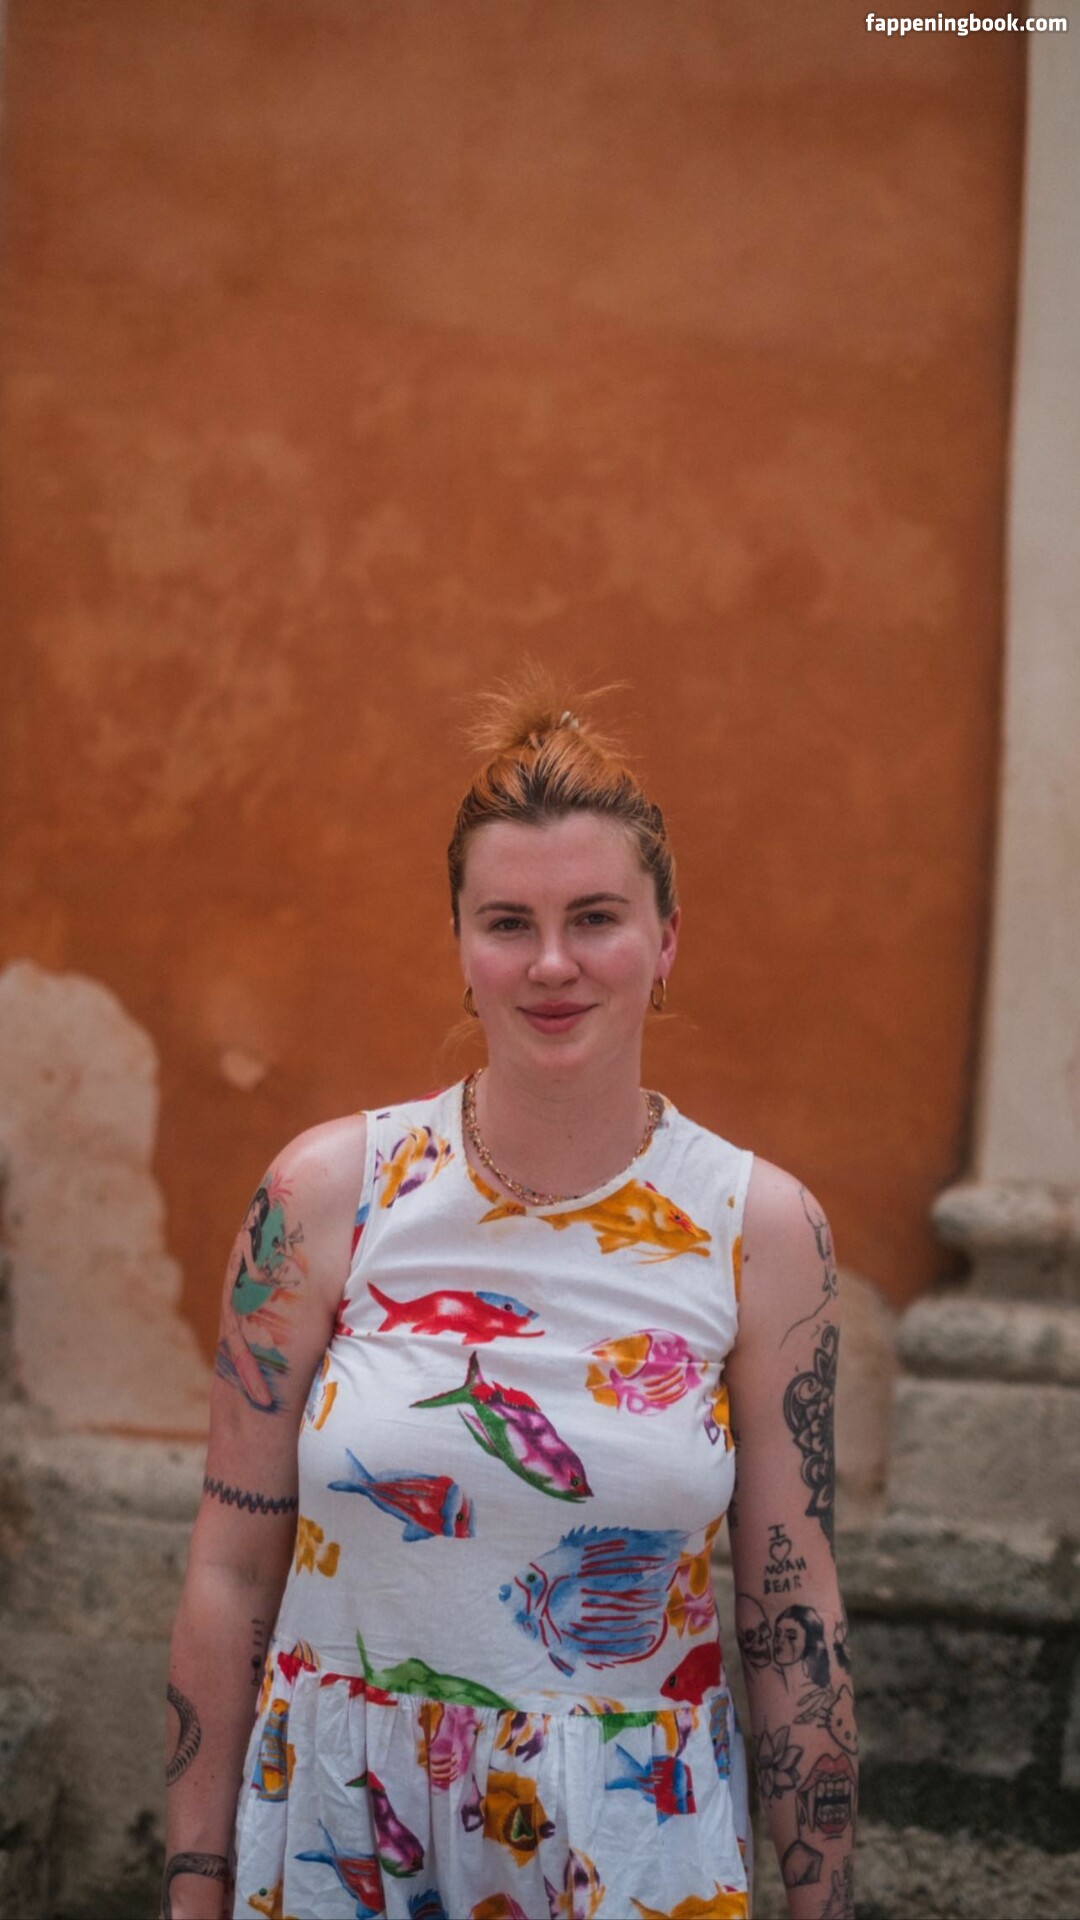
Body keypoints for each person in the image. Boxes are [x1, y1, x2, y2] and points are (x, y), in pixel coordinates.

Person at [163, 685, 857, 1920]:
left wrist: (822, 1905)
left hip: (629, 1844)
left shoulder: (761, 1230)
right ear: (460, 945)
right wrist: (193, 1885)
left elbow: (791, 1605)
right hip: (342, 1834)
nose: (550, 963)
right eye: (507, 923)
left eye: (595, 917)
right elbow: (229, 1566)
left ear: (667, 940)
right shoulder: (324, 1197)